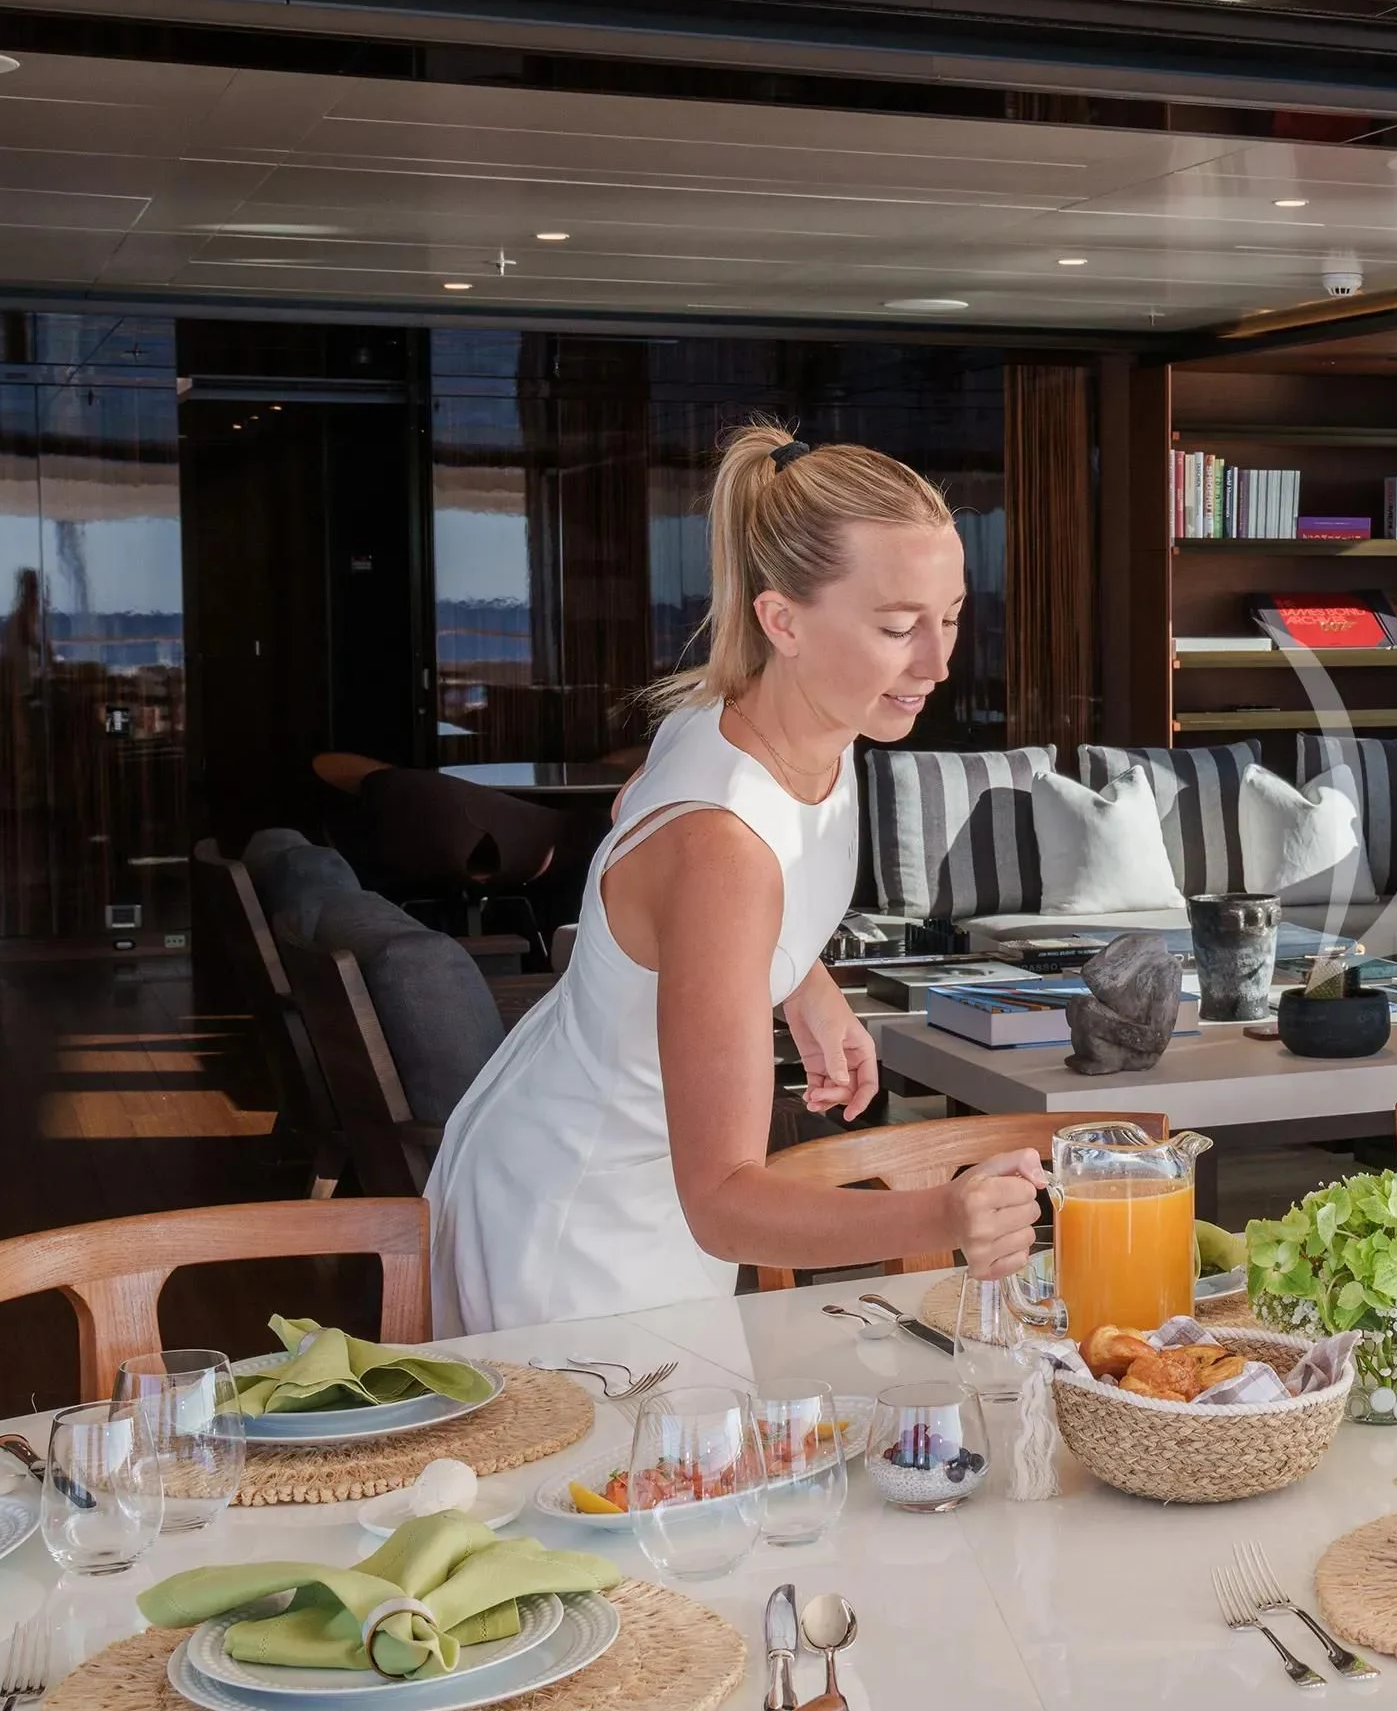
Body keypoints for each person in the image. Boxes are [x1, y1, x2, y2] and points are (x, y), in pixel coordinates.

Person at [426, 422, 1045, 1333]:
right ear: (781, 619)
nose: (938, 662)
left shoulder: (770, 718)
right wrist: (942, 1215)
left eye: (951, 615)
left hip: (621, 1169)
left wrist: (803, 980)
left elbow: (642, 832)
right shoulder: (723, 846)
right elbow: (722, 1201)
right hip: (584, 1224)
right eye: (896, 626)